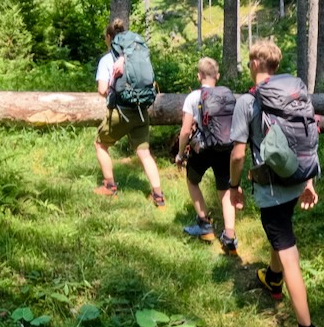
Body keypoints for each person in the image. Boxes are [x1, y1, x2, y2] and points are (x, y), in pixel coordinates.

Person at [228, 39, 323, 327]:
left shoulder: (248, 102)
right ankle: (272, 277)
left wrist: (234, 186)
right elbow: (307, 136)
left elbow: (239, 154)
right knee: (280, 234)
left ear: (255, 64)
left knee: (288, 249)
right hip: (295, 181)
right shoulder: (295, 92)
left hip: (270, 186)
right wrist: (308, 180)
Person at [93, 18, 165, 207]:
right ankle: (158, 195)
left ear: (109, 37)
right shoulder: (136, 55)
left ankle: (109, 185)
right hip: (141, 109)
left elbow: (102, 90)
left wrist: (111, 84)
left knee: (100, 145)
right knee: (144, 152)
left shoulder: (107, 59)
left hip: (121, 111)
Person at [175, 57, 238, 250]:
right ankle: (229, 236)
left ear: (199, 76)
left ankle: (204, 226)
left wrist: (180, 154)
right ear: (217, 76)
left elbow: (186, 131)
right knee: (224, 188)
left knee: (192, 181)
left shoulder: (193, 97)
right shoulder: (227, 95)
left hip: (203, 149)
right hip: (225, 147)